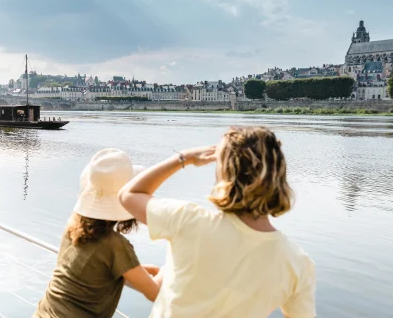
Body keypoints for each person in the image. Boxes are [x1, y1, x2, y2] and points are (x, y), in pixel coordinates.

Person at [119, 126, 316, 318]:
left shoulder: (187, 221)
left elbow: (129, 194)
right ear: (279, 175)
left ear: (224, 173)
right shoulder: (297, 263)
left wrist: (183, 158)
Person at [34, 148, 162, 318]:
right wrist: (167, 271)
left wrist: (149, 270)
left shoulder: (74, 225)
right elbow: (154, 293)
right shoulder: (115, 245)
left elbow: (96, 270)